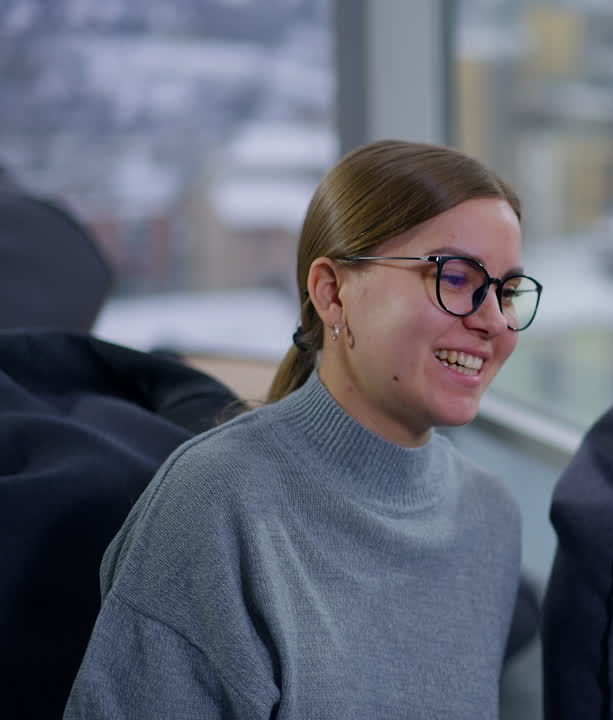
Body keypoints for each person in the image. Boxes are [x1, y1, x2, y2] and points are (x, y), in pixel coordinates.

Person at [64, 140, 543, 719]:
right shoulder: (214, 506)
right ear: (333, 293)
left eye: (509, 291)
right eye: (457, 276)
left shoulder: (488, 514)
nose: (494, 320)